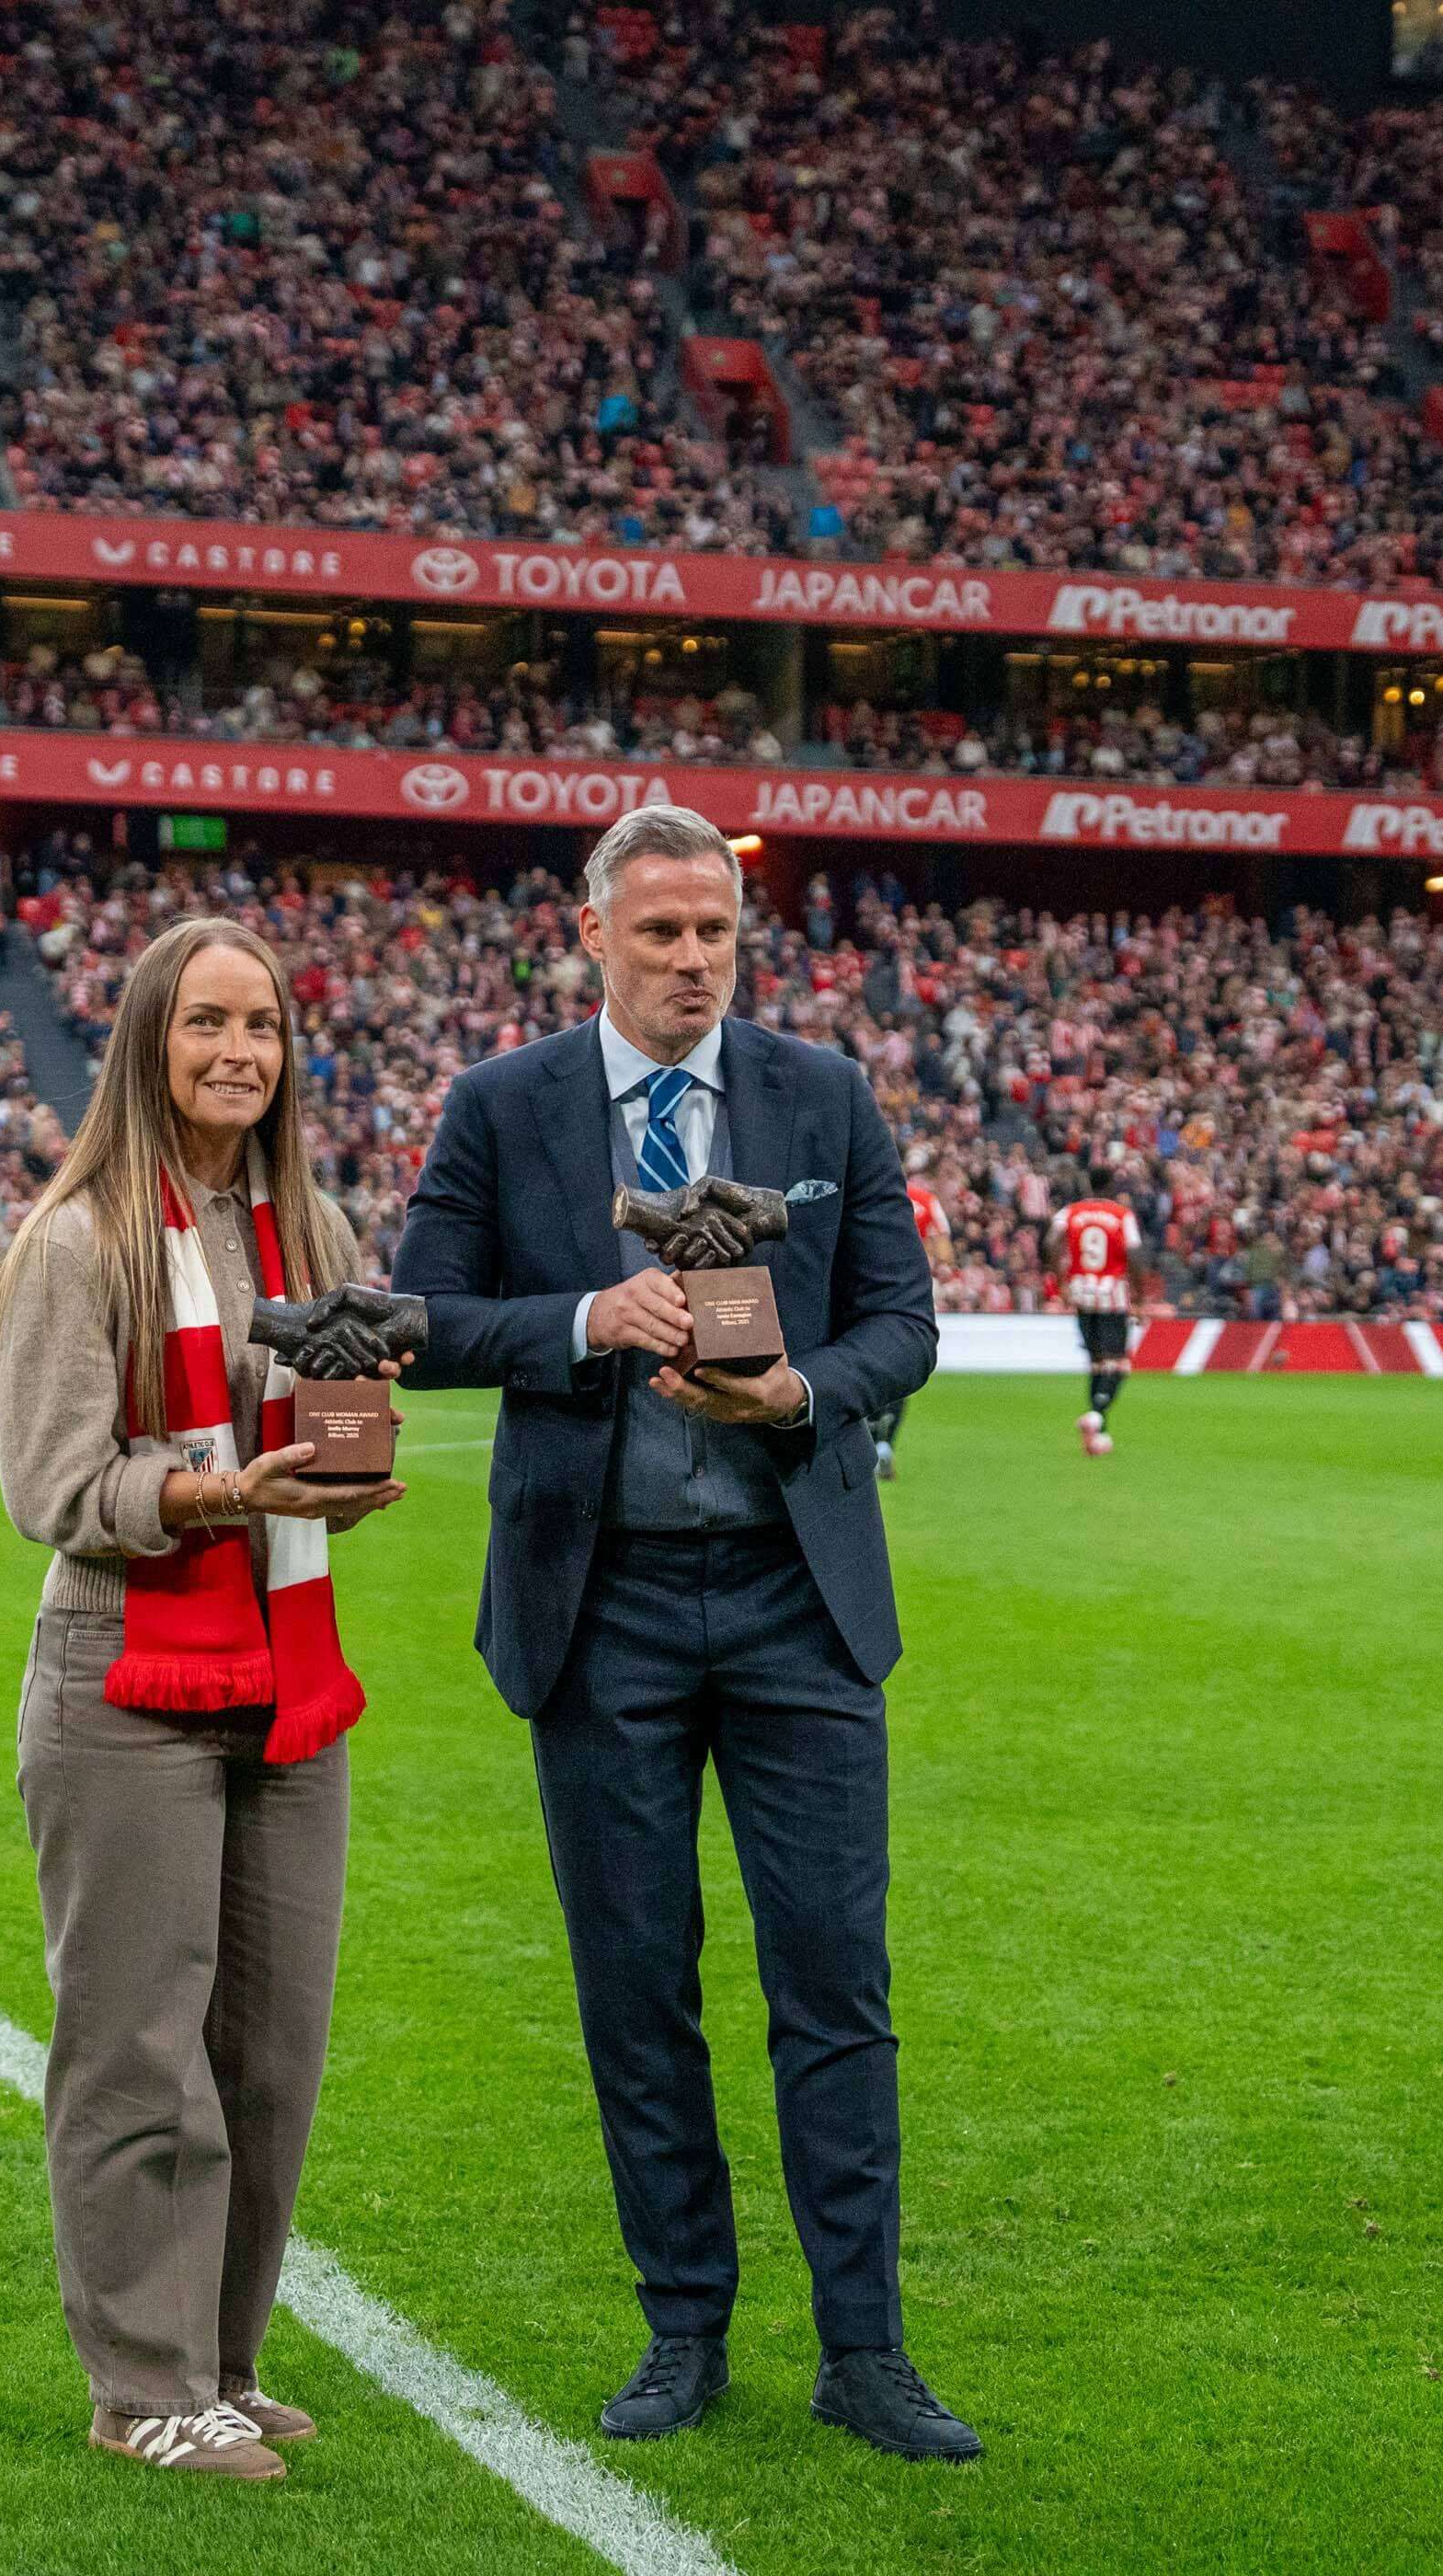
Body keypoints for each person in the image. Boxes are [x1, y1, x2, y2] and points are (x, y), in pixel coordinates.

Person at [393, 804, 970, 2461]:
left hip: (799, 1601)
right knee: (638, 1987)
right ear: (592, 933)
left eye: (714, 930)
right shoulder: (504, 1108)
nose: (691, 959)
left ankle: (865, 2349)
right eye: (658, 932)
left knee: (835, 1988)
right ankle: (683, 2328)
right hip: (605, 1602)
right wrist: (588, 1317)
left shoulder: (823, 1094)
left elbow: (904, 1325)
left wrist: (800, 1388)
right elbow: (425, 1323)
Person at [0, 915, 405, 2484]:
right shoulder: (79, 1240)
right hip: (126, 1675)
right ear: (149, 1043)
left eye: (266, 1027)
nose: (241, 1051)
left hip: (286, 1669)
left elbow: (343, 1412)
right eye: (207, 1024)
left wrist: (341, 1478)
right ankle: (141, 2384)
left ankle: (221, 2359)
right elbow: (55, 1486)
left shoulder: (321, 1232)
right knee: (136, 2050)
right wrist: (226, 1490)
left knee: (268, 2053)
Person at [1051, 1175, 1141, 1457]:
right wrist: (1139, 1293)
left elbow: (1051, 1242)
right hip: (1111, 1294)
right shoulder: (1121, 1215)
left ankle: (1098, 1432)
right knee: (1119, 1364)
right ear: (1111, 1188)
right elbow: (1135, 1254)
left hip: (1081, 1292)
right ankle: (1097, 1416)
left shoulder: (1071, 1212)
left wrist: (1061, 1279)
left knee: (1096, 1362)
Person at [878, 1161, 950, 1481]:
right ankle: (885, 1443)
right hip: (909, 1294)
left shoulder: (869, 1194)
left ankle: (870, 1443)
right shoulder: (925, 1201)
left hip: (866, 1289)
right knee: (900, 1365)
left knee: (864, 1362)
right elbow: (944, 1252)